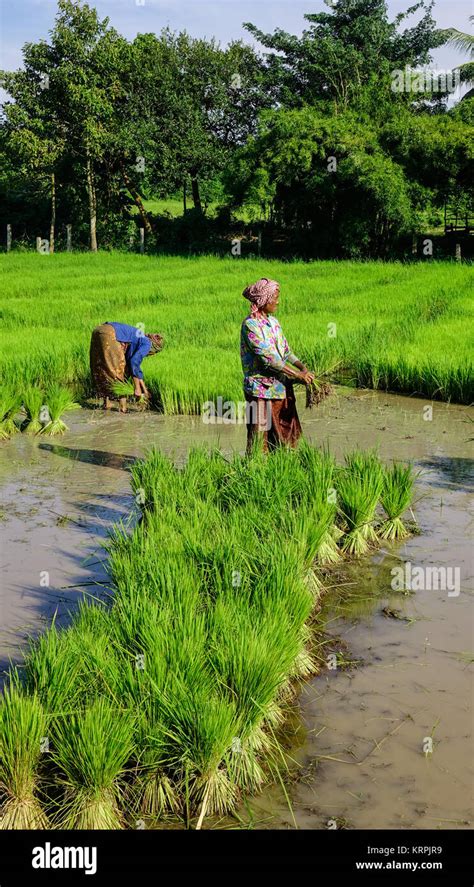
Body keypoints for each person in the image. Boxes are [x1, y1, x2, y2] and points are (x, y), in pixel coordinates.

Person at [240, 278, 314, 453]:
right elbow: (270, 359)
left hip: (280, 388)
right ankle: (255, 472)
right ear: (264, 300)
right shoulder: (250, 325)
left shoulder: (274, 322)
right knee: (259, 438)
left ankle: (282, 470)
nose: (278, 301)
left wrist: (302, 367)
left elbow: (286, 351)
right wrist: (297, 375)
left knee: (284, 437)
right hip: (259, 391)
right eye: (275, 297)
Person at [89, 322, 163, 412]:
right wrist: (137, 389)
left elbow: (132, 366)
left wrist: (144, 389)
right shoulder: (147, 343)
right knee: (118, 372)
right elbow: (134, 362)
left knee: (102, 368)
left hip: (98, 330)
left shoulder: (139, 338)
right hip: (111, 334)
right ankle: (122, 408)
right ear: (154, 349)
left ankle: (106, 403)